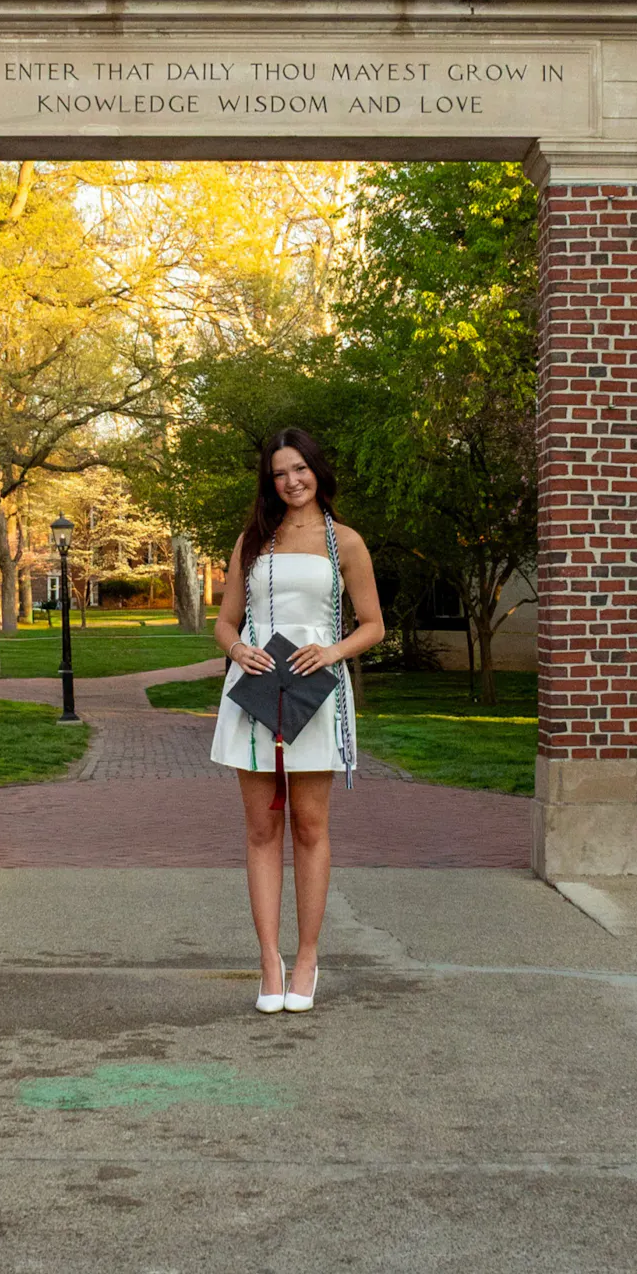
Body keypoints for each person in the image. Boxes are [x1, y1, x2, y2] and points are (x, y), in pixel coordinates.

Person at [211, 428, 384, 1014]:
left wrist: (331, 652)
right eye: (280, 473)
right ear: (270, 481)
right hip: (256, 691)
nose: (292, 481)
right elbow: (225, 623)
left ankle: (307, 957)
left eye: (300, 469)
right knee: (262, 831)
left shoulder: (346, 542)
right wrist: (237, 649)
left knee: (310, 826)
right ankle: (269, 960)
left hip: (315, 693)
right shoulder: (253, 541)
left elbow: (373, 625)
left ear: (317, 470)